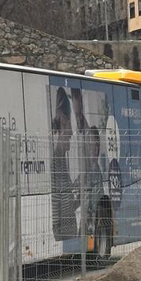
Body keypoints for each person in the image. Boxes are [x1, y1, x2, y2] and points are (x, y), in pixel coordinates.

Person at [51, 88, 79, 241]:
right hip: (64, 232)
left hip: (68, 229)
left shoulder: (62, 158)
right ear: (63, 121)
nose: (71, 133)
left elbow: (66, 204)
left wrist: (80, 193)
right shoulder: (56, 160)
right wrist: (57, 231)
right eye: (70, 125)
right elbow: (56, 202)